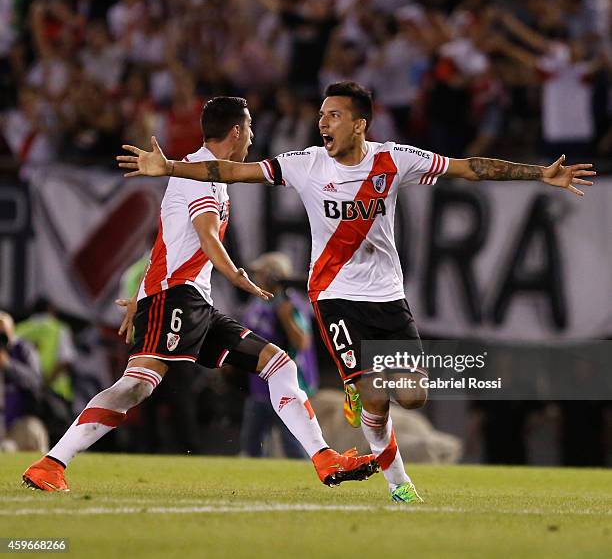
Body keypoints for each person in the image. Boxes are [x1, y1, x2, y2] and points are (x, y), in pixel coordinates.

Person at [116, 81, 595, 502]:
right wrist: (172, 167)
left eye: (334, 115)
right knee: (374, 394)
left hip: (388, 296)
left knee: (411, 396)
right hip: (334, 295)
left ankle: (361, 391)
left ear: (360, 124)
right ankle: (398, 482)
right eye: (321, 114)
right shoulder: (305, 164)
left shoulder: (397, 160)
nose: (322, 122)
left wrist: (539, 173)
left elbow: (467, 167)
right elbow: (232, 172)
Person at [22, 96, 377, 492]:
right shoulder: (200, 177)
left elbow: (165, 243)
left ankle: (325, 459)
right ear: (238, 131)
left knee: (279, 364)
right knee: (138, 384)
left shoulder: (206, 175)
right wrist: (236, 274)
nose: (253, 137)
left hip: (193, 303)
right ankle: (52, 463)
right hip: (176, 298)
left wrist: (141, 294)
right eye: (250, 129)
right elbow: (207, 237)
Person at [240, 252, 318, 459]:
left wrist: (285, 316)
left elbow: (302, 342)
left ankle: (305, 485)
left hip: (285, 385)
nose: (256, 278)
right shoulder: (258, 302)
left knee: (292, 444)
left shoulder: (290, 304)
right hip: (259, 384)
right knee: (251, 446)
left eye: (261, 274)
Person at [0, 311, 48, 452]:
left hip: (19, 422)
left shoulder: (23, 350)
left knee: (33, 429)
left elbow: (35, 382)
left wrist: (8, 365)